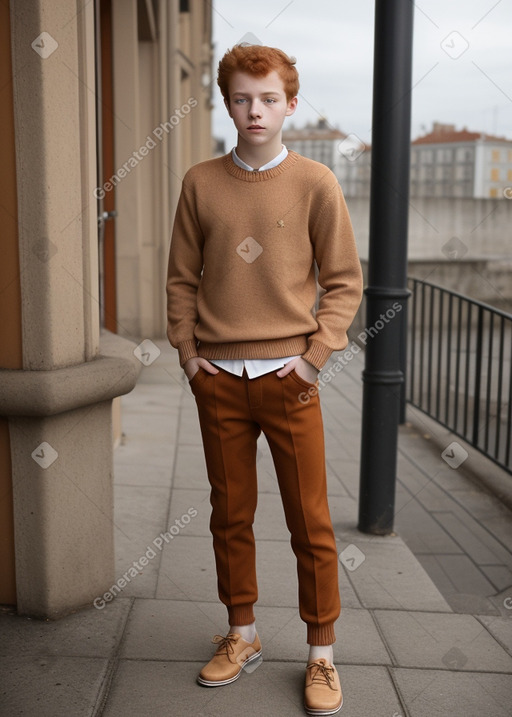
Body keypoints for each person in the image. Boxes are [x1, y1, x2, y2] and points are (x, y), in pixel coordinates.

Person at [166, 43, 363, 716]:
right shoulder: (199, 182)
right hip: (217, 377)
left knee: (311, 520)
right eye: (243, 98)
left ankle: (321, 653)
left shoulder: (315, 183)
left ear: (290, 104)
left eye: (269, 98)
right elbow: (179, 278)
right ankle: (242, 633)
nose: (256, 109)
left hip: (291, 379)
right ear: (227, 103)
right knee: (231, 514)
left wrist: (313, 357)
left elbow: (343, 283)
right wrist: (189, 356)